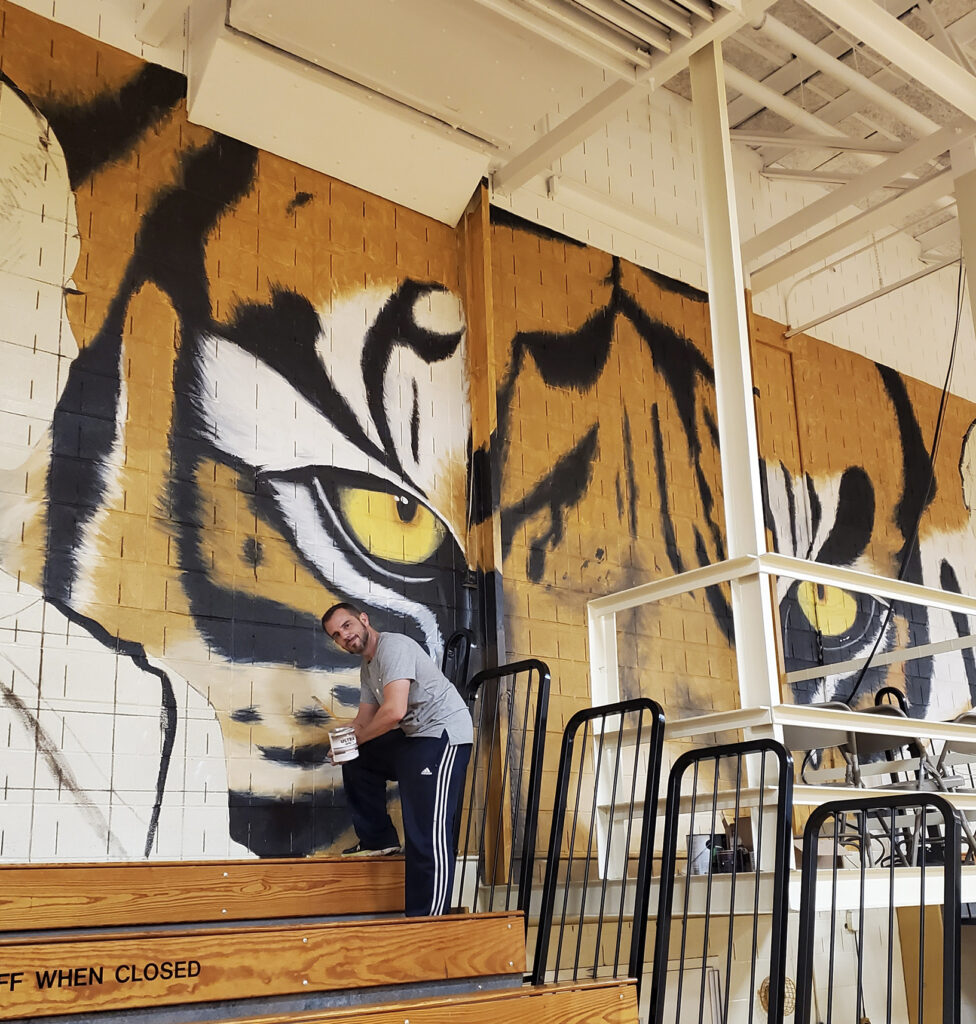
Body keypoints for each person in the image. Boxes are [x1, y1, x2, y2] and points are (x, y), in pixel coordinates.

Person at [321, 602, 472, 917]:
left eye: (347, 625)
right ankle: (378, 839)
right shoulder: (368, 666)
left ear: (364, 619)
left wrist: (356, 738)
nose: (344, 636)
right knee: (357, 757)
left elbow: (393, 712)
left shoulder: (395, 647)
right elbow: (363, 723)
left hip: (443, 736)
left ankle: (427, 920)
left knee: (425, 830)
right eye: (336, 635)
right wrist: (341, 744)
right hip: (414, 737)